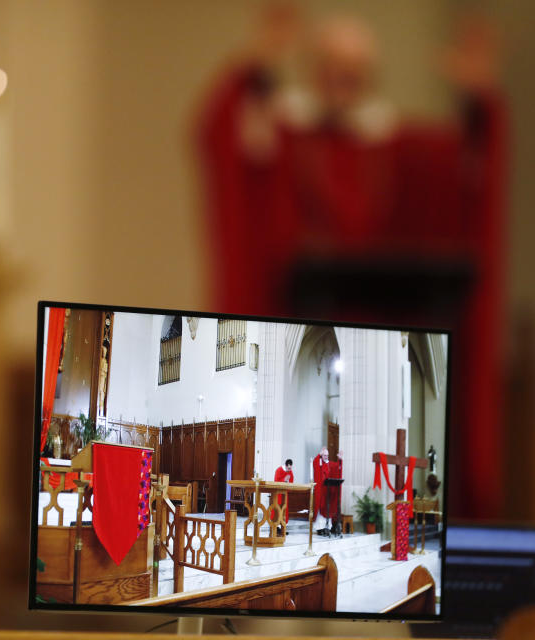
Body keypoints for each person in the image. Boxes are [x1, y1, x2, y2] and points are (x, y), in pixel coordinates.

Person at [195, 10, 505, 518]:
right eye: (333, 65)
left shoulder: (402, 148)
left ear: (371, 76)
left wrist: (478, 106)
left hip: (390, 319)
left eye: (356, 68)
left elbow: (472, 175)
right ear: (314, 68)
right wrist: (254, 70)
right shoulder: (283, 140)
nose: (344, 78)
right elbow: (224, 144)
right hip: (298, 305)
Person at [273, 458, 294, 535]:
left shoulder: (290, 472)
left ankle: (283, 527)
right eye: (288, 468)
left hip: (285, 494)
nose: (289, 470)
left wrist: (288, 481)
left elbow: (291, 481)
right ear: (286, 465)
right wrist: (284, 480)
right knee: (278, 510)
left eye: (290, 468)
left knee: (284, 510)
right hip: (278, 494)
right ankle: (276, 527)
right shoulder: (279, 470)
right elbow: (276, 481)